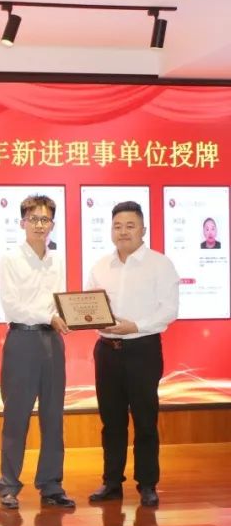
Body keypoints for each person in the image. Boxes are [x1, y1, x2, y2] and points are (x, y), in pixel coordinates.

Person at [87, 201, 179, 508]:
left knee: (145, 419)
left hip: (143, 349)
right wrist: (89, 319)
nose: (123, 232)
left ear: (143, 229)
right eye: (117, 226)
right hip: (107, 351)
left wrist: (135, 326)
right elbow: (90, 306)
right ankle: (112, 482)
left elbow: (169, 310)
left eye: (130, 226)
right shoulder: (100, 266)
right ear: (111, 231)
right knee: (111, 420)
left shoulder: (160, 264)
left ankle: (147, 483)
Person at [0, 196, 75, 510]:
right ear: (22, 222)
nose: (40, 225)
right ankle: (8, 485)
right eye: (33, 219)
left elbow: (60, 301)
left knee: (53, 416)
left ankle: (51, 485)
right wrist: (49, 316)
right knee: (16, 416)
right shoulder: (10, 259)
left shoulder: (58, 260)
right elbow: (12, 306)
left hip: (52, 341)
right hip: (22, 340)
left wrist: (70, 314)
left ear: (52, 224)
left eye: (45, 220)